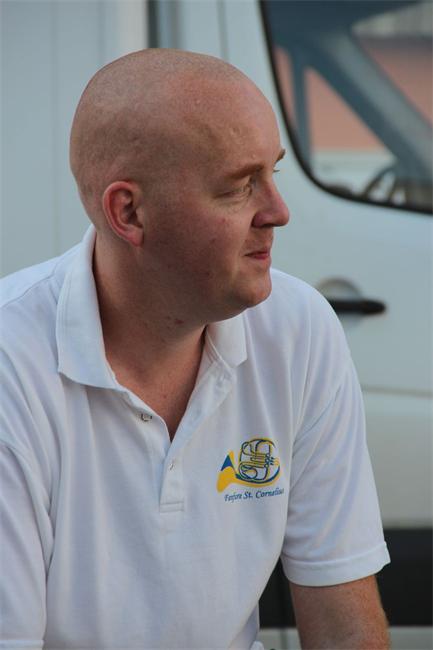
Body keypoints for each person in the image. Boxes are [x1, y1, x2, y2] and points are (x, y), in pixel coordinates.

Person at [0, 49, 390, 649]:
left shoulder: (298, 327)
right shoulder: (12, 361)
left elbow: (344, 622)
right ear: (129, 212)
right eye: (239, 187)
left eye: (274, 173)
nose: (278, 212)